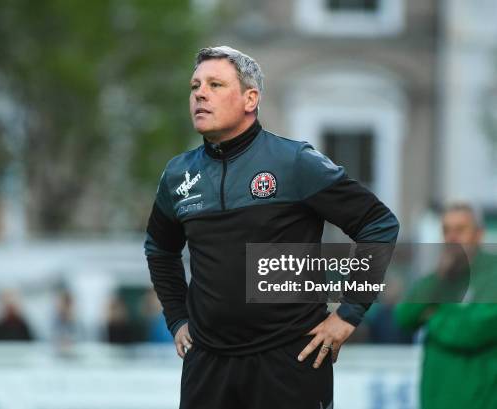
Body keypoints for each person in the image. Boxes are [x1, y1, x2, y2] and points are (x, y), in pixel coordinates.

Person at [144, 46, 399, 409]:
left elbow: (378, 224)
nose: (200, 93)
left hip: (290, 359)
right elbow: (160, 249)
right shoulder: (178, 175)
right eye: (195, 85)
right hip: (208, 362)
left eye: (215, 84)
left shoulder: (295, 162)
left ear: (251, 98)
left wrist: (349, 313)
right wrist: (176, 316)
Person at [395, 203, 497, 409]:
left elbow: (473, 331)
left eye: (460, 230)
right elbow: (404, 317)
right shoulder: (440, 276)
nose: (452, 237)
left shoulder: (492, 272)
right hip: (435, 398)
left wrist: (434, 317)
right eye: (446, 230)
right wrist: (439, 279)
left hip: (479, 399)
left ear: (479, 234)